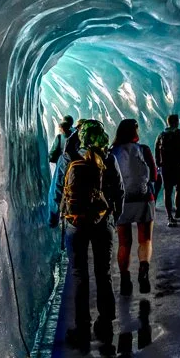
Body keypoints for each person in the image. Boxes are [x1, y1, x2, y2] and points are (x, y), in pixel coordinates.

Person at [61, 120, 123, 345]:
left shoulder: (70, 158)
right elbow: (119, 191)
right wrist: (113, 218)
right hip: (102, 222)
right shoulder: (108, 159)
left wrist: (55, 215)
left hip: (75, 224)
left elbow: (60, 189)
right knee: (103, 273)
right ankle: (105, 323)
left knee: (79, 275)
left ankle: (82, 328)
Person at [109, 119, 157, 295]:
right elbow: (154, 175)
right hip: (144, 198)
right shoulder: (143, 149)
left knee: (124, 243)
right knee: (145, 239)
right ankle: (143, 274)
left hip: (122, 201)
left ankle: (125, 280)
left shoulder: (112, 152)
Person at [154, 114, 180, 227]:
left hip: (166, 167)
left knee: (167, 191)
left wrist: (158, 163)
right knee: (179, 189)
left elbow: (156, 149)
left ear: (167, 122)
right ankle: (178, 211)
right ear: (177, 122)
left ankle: (170, 216)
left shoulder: (161, 135)